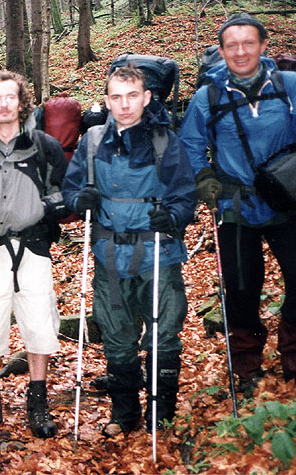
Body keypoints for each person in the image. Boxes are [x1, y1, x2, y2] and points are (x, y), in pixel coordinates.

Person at [180, 14, 296, 393]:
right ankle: (248, 367)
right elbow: (188, 144)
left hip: (288, 200)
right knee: (241, 287)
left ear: (263, 45)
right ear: (221, 52)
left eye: (248, 43)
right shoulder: (208, 96)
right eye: (231, 45)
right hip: (235, 207)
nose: (240, 51)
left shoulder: (290, 85)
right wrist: (203, 176)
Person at [62, 64, 196, 436]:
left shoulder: (165, 141)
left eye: (132, 96)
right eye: (117, 97)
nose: (124, 105)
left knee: (163, 332)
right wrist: (80, 198)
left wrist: (173, 217)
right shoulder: (91, 142)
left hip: (158, 253)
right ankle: (124, 412)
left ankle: (161, 411)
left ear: (146, 97)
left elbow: (185, 193)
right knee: (117, 334)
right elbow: (70, 190)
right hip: (109, 255)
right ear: (106, 100)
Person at [0, 70, 69, 439]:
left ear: (22, 102)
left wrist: (50, 206)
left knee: (40, 323)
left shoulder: (45, 146)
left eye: (11, 97)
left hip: (34, 246)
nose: (5, 104)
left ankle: (38, 403)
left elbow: (65, 191)